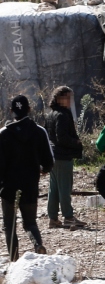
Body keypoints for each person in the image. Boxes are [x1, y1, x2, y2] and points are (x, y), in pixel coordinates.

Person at [0, 96, 53, 259]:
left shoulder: (3, 133)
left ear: (11, 111)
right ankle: (38, 245)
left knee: (10, 225)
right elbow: (49, 161)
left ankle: (14, 260)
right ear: (29, 109)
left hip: (8, 187)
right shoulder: (39, 131)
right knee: (30, 222)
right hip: (30, 185)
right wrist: (43, 169)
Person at [46, 86, 84, 230]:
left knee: (54, 188)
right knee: (64, 187)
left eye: (70, 98)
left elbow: (48, 136)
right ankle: (68, 217)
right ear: (58, 98)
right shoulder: (62, 115)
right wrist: (76, 142)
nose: (69, 101)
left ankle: (53, 219)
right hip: (63, 156)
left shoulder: (51, 114)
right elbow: (61, 137)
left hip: (53, 156)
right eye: (66, 97)